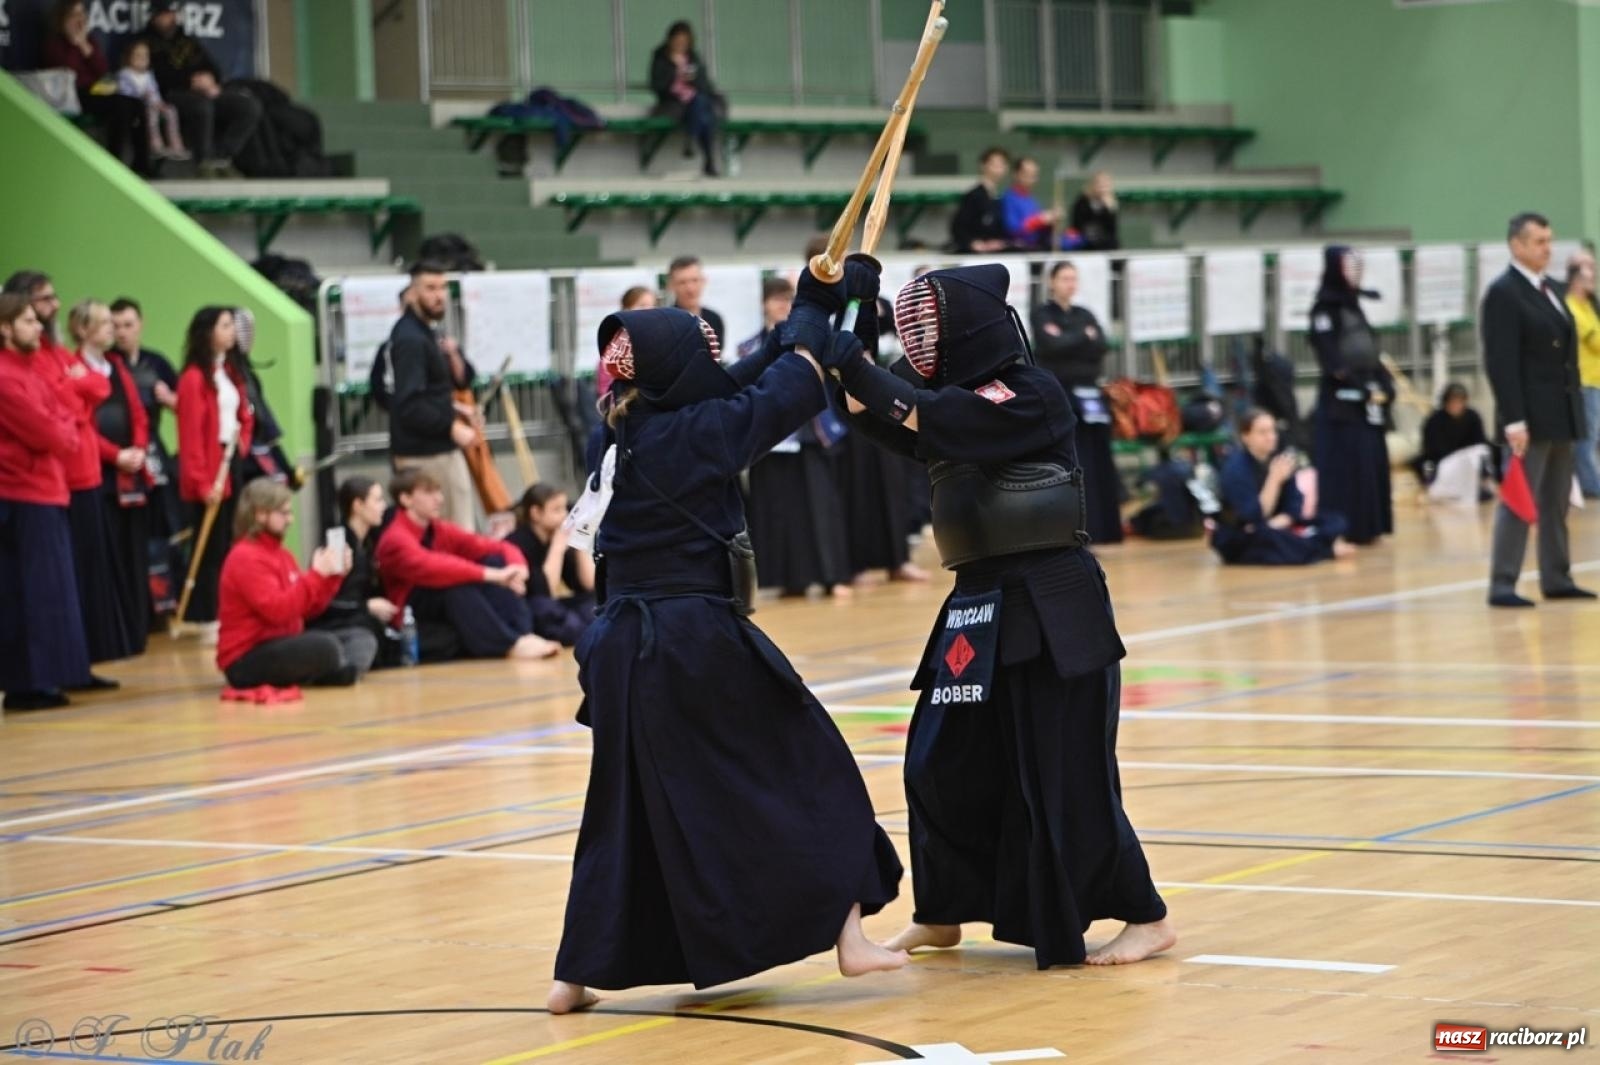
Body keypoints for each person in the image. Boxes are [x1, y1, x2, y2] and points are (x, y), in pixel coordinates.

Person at [546, 294, 906, 1014]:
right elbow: (786, 392)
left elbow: (739, 377)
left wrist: (814, 303)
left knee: (622, 808)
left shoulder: (616, 429)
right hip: (688, 636)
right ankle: (849, 936)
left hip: (617, 646)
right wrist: (815, 330)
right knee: (812, 768)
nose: (711, 366)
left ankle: (573, 975)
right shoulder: (697, 435)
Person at [828, 260, 1175, 968]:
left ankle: (1145, 914)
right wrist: (858, 310)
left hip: (1050, 598)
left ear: (972, 325)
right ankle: (945, 909)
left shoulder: (1029, 393)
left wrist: (851, 356)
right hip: (977, 602)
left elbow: (914, 406)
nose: (920, 338)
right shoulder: (942, 398)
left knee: (1064, 771)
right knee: (938, 758)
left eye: (928, 323)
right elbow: (864, 408)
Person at [1482, 212, 1593, 607]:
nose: (1548, 248)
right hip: (1528, 416)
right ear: (1517, 245)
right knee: (1518, 500)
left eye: (1549, 240)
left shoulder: (1550, 289)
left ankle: (1556, 575)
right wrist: (1513, 419)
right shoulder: (1504, 293)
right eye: (1540, 241)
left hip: (1560, 411)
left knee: (1557, 500)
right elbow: (1501, 362)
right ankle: (1502, 582)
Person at [0, 294, 93, 711]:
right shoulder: (5, 377)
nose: (38, 328)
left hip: (47, 489)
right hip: (22, 493)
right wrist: (63, 429)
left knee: (51, 593)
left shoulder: (31, 371)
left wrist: (64, 427)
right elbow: (50, 433)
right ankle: (28, 682)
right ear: (4, 328)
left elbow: (70, 412)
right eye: (27, 321)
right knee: (29, 594)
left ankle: (46, 677)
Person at [736, 276, 852, 597]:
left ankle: (833, 576)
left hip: (812, 432)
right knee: (779, 512)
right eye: (776, 300)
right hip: (773, 440)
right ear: (764, 305)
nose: (782, 306)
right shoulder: (749, 347)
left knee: (822, 507)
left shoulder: (815, 339)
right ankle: (790, 579)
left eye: (788, 300)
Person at [374, 469, 558, 660]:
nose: (439, 499)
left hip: (437, 603)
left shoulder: (437, 528)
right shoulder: (395, 538)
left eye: (438, 492)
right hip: (409, 613)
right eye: (429, 493)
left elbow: (495, 547)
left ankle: (523, 634)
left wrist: (518, 568)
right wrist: (495, 576)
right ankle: (509, 645)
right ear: (406, 499)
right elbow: (436, 567)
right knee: (457, 586)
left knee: (493, 562)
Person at [216, 478, 367, 690]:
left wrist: (332, 577)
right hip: (246, 657)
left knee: (360, 636)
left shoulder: (282, 555)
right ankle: (334, 670)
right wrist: (316, 574)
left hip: (282, 642)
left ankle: (333, 670)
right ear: (260, 514)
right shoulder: (245, 557)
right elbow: (278, 610)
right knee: (325, 646)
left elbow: (307, 610)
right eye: (284, 513)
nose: (290, 519)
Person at [73, 299, 152, 660]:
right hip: (100, 475)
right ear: (82, 329)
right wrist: (114, 455)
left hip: (130, 474)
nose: (111, 329)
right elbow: (84, 423)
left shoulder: (117, 366)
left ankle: (136, 630)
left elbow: (137, 411)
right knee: (109, 555)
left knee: (135, 551)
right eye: (103, 323)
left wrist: (137, 448)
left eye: (113, 323)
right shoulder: (74, 369)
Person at [176, 306, 255, 633]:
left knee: (229, 538)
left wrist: (243, 443)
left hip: (231, 458)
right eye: (224, 325)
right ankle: (205, 613)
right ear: (207, 332)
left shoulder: (231, 373)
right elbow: (191, 435)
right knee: (209, 544)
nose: (231, 332)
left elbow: (244, 415)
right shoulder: (194, 378)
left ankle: (228, 609)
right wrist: (200, 481)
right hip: (209, 465)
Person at [1308, 245, 1393, 545]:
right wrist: (1354, 383)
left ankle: (1371, 525)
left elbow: (1370, 350)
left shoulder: (1355, 306)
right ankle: (1343, 526)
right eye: (1348, 267)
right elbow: (1331, 357)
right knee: (1347, 463)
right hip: (1341, 403)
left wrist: (1382, 384)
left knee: (1371, 460)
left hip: (1367, 397)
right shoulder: (1323, 309)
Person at [1031, 261, 1122, 544]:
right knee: (1071, 458)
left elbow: (1101, 345)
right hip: (1061, 396)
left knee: (1096, 459)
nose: (1071, 284)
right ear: (1052, 282)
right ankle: (1068, 527)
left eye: (1074, 278)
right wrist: (1083, 337)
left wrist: (1071, 340)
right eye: (1065, 278)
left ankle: (1102, 528)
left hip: (1090, 395)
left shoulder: (1085, 313)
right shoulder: (1042, 314)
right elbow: (1050, 346)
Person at [388, 260, 481, 527]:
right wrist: (453, 428)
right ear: (412, 293)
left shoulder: (426, 331)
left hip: (437, 449)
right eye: (430, 288)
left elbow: (432, 391)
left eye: (442, 287)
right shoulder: (410, 338)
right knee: (454, 537)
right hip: (427, 456)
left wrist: (458, 410)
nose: (439, 295)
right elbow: (409, 403)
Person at [111, 297, 183, 622]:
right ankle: (136, 608)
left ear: (140, 325)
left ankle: (166, 603)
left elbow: (187, 405)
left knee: (164, 528)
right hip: (121, 458)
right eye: (115, 326)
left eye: (128, 324)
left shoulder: (157, 363)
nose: (122, 332)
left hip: (154, 453)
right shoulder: (110, 364)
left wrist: (170, 399)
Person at [1211, 409, 1353, 565]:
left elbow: (1295, 503)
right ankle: (1325, 549)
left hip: (1276, 526)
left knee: (1335, 520)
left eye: (1273, 431)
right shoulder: (1235, 469)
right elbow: (1252, 515)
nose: (1271, 437)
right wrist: (1273, 480)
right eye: (1262, 432)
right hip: (1242, 535)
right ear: (1246, 437)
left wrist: (1282, 521)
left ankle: (1309, 545)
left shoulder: (1279, 460)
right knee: (1267, 537)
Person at [136, 0, 262, 175]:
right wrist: (191, 82)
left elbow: (213, 68)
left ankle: (222, 158)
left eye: (173, 13)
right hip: (169, 94)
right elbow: (155, 76)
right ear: (155, 16)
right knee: (202, 106)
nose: (171, 18)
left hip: (204, 91)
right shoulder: (145, 42)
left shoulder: (186, 40)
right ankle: (204, 162)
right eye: (165, 14)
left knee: (248, 107)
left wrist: (210, 81)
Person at [42, 0, 152, 175]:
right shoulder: (55, 43)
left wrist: (84, 45)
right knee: (119, 105)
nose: (79, 20)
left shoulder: (89, 41)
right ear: (63, 19)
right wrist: (73, 42)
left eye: (82, 15)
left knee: (136, 104)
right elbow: (67, 71)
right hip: (72, 94)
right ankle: (113, 163)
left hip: (96, 90)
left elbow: (102, 70)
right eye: (74, 15)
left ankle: (142, 164)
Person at [307, 476, 401, 671]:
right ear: (358, 505)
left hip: (356, 617)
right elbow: (326, 603)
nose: (383, 506)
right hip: (335, 623)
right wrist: (366, 607)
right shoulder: (338, 545)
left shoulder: (368, 542)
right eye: (377, 500)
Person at [504, 484, 596, 648]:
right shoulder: (518, 542)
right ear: (535, 513)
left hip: (549, 606)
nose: (565, 516)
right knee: (547, 609)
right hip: (524, 609)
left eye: (565, 509)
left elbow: (588, 585)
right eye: (557, 510)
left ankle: (588, 630)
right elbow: (546, 591)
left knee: (595, 603)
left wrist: (581, 542)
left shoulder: (554, 536)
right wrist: (558, 547)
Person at [648, 21, 725, 177]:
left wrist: (692, 80)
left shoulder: (693, 57)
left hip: (694, 101)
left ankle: (692, 139)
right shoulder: (661, 57)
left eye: (684, 41)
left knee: (701, 105)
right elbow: (657, 85)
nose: (680, 44)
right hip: (672, 103)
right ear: (670, 40)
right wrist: (675, 75)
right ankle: (707, 158)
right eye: (677, 40)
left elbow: (705, 85)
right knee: (704, 112)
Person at [1415, 383, 1493, 504]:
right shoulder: (1434, 420)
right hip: (1442, 463)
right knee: (1424, 465)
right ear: (1445, 402)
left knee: (1484, 452)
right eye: (1452, 401)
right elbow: (1431, 448)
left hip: (1466, 463)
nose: (1456, 405)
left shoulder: (1473, 417)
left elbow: (1480, 442)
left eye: (1460, 401)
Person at [1563, 250, 1600, 498]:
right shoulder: (1572, 308)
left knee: (1591, 435)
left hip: (1595, 380)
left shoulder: (1590, 306)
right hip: (1584, 382)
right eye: (1589, 271)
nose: (1594, 277)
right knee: (1586, 437)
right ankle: (1589, 484)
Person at [117, 38, 189, 161]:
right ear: (128, 57)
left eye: (145, 55)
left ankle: (176, 145)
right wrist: (142, 97)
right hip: (137, 106)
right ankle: (156, 145)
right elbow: (124, 93)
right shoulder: (124, 74)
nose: (142, 58)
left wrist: (158, 102)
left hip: (153, 104)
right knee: (152, 113)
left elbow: (154, 91)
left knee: (170, 110)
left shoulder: (149, 75)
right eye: (138, 55)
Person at [596, 286, 658, 398]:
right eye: (642, 305)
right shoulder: (616, 344)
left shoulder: (660, 338)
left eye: (652, 305)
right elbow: (605, 387)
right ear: (626, 309)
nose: (649, 310)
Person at [950, 147, 1011, 254]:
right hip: (975, 254)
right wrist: (972, 243)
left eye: (1002, 165)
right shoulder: (974, 195)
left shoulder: (998, 197)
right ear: (983, 165)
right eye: (995, 164)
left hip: (993, 252)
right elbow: (958, 227)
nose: (999, 169)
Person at [1001, 157, 1066, 251]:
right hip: (1020, 251)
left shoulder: (1031, 199)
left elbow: (1040, 229)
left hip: (1037, 248)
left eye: (1034, 175)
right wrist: (1041, 219)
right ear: (1016, 174)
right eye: (1027, 174)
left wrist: (1052, 219)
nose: (1031, 179)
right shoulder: (1009, 198)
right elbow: (1013, 229)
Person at [665, 256, 725, 348]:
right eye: (682, 282)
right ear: (671, 285)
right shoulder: (664, 323)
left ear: (703, 281)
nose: (690, 289)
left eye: (695, 280)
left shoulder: (714, 320)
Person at [1068, 171, 1120, 252]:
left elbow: (1112, 231)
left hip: (1105, 244)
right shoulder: (1082, 201)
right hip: (1085, 242)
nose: (1103, 188)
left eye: (1106, 185)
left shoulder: (1110, 204)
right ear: (1093, 185)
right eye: (1100, 184)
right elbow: (1077, 224)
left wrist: (1109, 210)